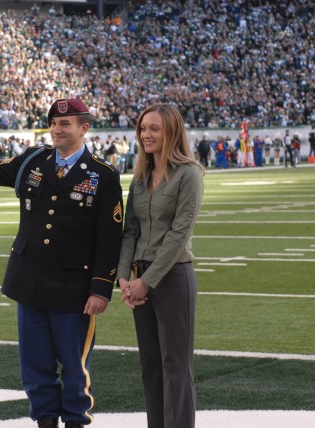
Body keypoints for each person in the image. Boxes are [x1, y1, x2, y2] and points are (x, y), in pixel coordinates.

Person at [0, 89, 123, 428]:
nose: (57, 130)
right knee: (35, 364)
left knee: (74, 365)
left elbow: (110, 237)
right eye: (53, 123)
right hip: (28, 281)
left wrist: (101, 288)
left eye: (65, 124)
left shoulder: (103, 174)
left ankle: (75, 421)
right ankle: (44, 420)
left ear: (84, 128)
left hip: (73, 288)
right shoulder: (33, 160)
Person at [117, 104, 204, 428]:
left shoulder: (189, 174)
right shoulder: (139, 177)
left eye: (154, 128)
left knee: (175, 368)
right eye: (142, 128)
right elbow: (130, 231)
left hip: (172, 278)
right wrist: (124, 278)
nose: (146, 134)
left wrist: (147, 281)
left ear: (171, 131)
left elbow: (179, 235)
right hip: (140, 278)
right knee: (150, 368)